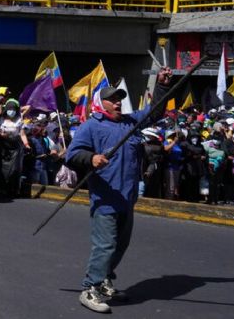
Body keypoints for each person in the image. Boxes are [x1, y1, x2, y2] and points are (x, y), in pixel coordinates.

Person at [67, 67, 172, 313]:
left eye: (119, 99)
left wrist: (163, 85)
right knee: (105, 245)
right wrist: (91, 158)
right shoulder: (91, 126)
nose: (117, 103)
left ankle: (104, 280)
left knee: (120, 245)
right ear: (100, 103)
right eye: (112, 99)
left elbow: (155, 111)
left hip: (127, 197)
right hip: (105, 198)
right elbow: (73, 154)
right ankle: (90, 288)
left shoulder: (130, 123)